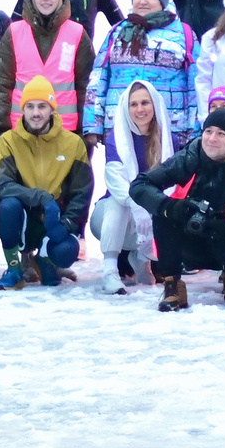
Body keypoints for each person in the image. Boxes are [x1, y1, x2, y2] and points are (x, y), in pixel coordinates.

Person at [133, 103, 225, 309]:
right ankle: (173, 286)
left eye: (221, 134)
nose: (212, 139)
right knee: (163, 215)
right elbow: (139, 185)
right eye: (208, 131)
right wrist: (171, 207)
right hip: (191, 238)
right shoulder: (189, 156)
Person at [0, 76, 92, 289]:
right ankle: (14, 267)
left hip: (56, 220)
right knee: (7, 205)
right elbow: (2, 185)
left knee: (65, 253)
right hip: (25, 218)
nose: (36, 113)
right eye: (30, 106)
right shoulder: (8, 140)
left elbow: (82, 192)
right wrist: (41, 197)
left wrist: (67, 224)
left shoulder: (74, 143)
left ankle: (45, 259)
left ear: (52, 109)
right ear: (23, 109)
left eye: (41, 106)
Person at [87, 0, 199, 148]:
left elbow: (196, 83)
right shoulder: (117, 32)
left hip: (169, 129)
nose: (143, 1)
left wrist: (196, 129)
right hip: (120, 127)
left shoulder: (182, 33)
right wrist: (93, 124)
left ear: (163, 0)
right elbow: (98, 78)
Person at [0, 0, 95, 135]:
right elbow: (1, 85)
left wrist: (87, 131)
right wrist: (0, 130)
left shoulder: (77, 33)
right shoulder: (14, 32)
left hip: (66, 133)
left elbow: (87, 86)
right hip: (22, 129)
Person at [90, 77, 171, 294]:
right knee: (120, 203)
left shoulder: (166, 139)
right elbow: (116, 181)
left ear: (154, 104)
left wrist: (151, 208)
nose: (140, 109)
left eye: (145, 103)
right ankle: (110, 271)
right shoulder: (116, 137)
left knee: (168, 207)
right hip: (112, 218)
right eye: (133, 104)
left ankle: (143, 259)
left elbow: (171, 184)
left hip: (150, 218)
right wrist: (138, 205)